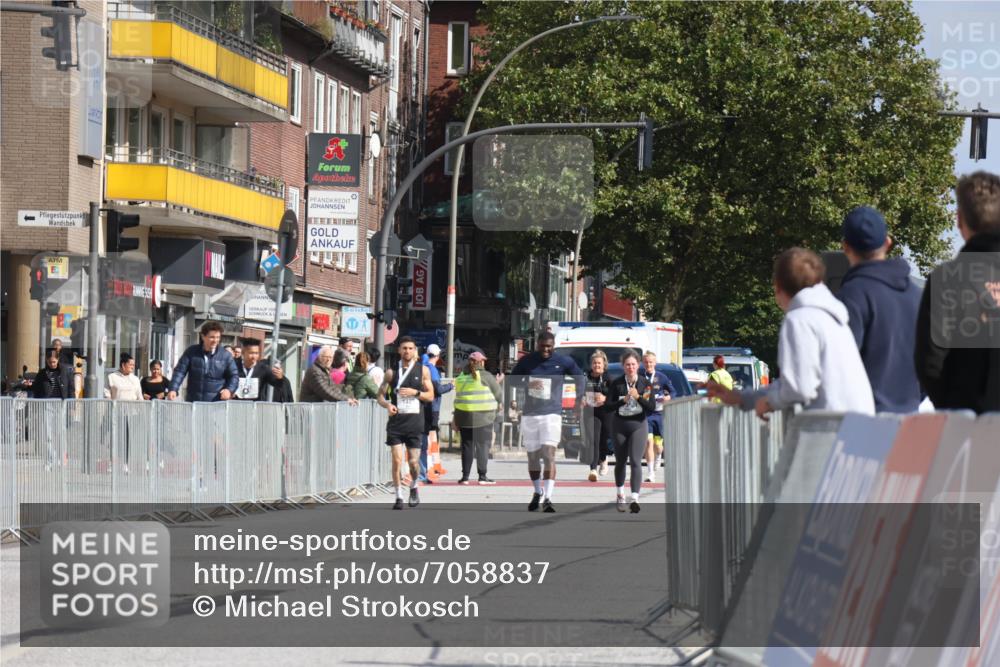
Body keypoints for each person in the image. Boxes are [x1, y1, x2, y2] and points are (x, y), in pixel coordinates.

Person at [710, 248, 875, 417]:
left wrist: (769, 402)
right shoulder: (831, 316)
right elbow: (792, 383)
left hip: (830, 427)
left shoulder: (799, 319)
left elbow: (799, 387)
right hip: (856, 424)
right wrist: (742, 398)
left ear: (778, 286)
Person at [915, 170, 1000, 414]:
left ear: (959, 219)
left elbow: (930, 362)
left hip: (967, 428)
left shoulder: (947, 279)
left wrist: (956, 408)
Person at [836, 206, 923, 413]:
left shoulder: (851, 296)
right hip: (911, 422)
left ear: (845, 247)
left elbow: (840, 364)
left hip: (866, 423)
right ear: (887, 242)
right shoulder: (918, 296)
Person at [509, 331, 585, 513]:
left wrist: (578, 399)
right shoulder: (528, 361)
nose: (546, 350)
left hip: (552, 413)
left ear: (553, 346)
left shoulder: (562, 361)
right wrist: (527, 383)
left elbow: (579, 377)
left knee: (548, 454)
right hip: (530, 414)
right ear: (537, 345)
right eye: (543, 346)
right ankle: (537, 491)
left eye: (549, 347)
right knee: (533, 457)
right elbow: (513, 380)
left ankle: (548, 498)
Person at [377, 336, 434, 509]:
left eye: (410, 348)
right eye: (404, 348)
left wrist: (415, 393)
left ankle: (414, 485)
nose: (407, 351)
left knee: (413, 463)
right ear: (399, 350)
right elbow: (380, 395)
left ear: (415, 350)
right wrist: (387, 404)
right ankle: (398, 496)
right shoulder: (391, 372)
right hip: (396, 424)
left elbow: (430, 396)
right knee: (396, 460)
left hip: (415, 423)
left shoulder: (423, 371)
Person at [607, 350, 657, 513]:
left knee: (636, 461)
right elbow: (608, 406)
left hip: (638, 425)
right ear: (623, 366)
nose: (630, 367)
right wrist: (623, 400)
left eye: (633, 364)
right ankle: (621, 494)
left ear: (638, 365)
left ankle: (635, 497)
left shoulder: (645, 384)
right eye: (627, 365)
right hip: (620, 425)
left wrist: (638, 397)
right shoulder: (617, 384)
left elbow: (651, 407)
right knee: (621, 461)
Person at [454, 351, 502, 484]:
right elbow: (499, 395)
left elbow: (458, 397)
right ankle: (482, 476)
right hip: (484, 417)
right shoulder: (487, 376)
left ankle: (465, 477)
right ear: (481, 362)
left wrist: (455, 420)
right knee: (482, 446)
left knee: (467, 446)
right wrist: (497, 382)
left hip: (464, 417)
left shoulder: (461, 377)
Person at [167, 321, 239, 402]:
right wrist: (173, 388)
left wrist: (229, 390)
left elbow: (234, 376)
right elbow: (180, 371)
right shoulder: (191, 352)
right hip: (194, 402)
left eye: (218, 337)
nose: (215, 340)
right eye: (212, 337)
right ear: (203, 336)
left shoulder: (226, 356)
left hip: (216, 404)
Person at [420, 343, 453, 483]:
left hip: (426, 406)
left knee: (429, 437)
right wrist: (451, 385)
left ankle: (432, 467)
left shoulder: (423, 366)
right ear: (438, 356)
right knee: (430, 437)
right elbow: (438, 389)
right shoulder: (432, 369)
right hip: (432, 407)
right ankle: (429, 469)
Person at [639, 351, 674, 483]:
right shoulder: (639, 376)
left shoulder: (662, 377)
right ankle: (650, 473)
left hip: (658, 414)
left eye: (651, 362)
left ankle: (659, 455)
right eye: (646, 362)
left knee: (658, 446)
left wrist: (668, 397)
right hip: (645, 414)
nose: (648, 364)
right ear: (643, 363)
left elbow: (673, 391)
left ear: (655, 363)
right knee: (648, 442)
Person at [583, 350, 613, 482]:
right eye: (594, 363)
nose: (597, 365)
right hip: (590, 412)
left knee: (603, 439)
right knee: (592, 440)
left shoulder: (609, 378)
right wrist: (582, 398)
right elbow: (579, 392)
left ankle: (603, 459)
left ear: (604, 364)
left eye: (599, 363)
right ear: (591, 365)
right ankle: (593, 469)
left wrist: (605, 398)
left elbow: (615, 397)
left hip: (606, 412)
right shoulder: (586, 378)